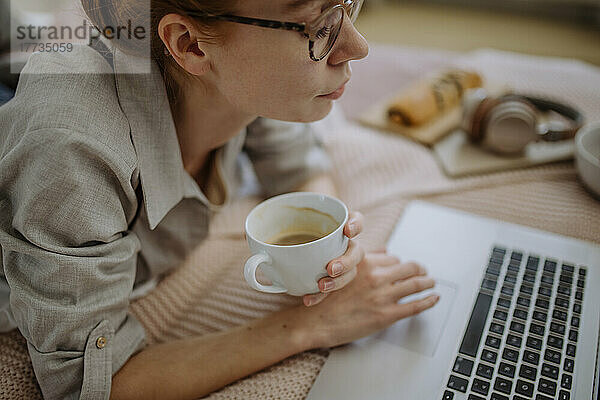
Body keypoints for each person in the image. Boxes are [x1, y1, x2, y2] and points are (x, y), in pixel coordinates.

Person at [0, 0, 439, 398]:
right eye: (319, 25)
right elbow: (94, 382)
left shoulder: (248, 85)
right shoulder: (70, 149)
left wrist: (322, 253)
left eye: (348, 6)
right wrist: (308, 326)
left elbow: (298, 166)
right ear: (190, 45)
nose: (358, 46)